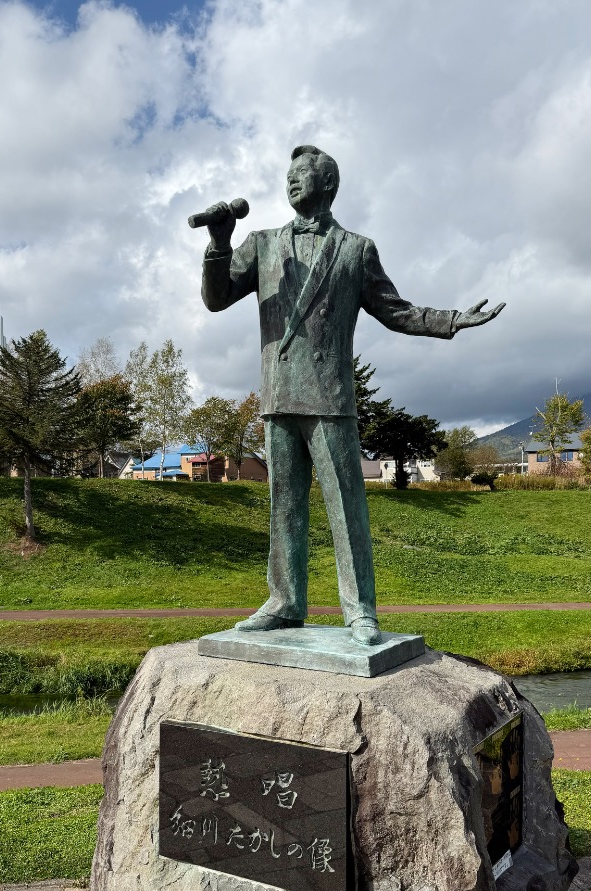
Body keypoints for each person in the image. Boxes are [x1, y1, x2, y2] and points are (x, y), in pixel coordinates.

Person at [200, 145, 504, 646]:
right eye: (288, 176)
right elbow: (215, 299)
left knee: (347, 508)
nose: (291, 182)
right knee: (284, 507)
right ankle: (283, 602)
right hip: (279, 397)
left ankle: (360, 611)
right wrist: (218, 244)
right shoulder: (262, 243)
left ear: (328, 185)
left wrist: (451, 320)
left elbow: (396, 310)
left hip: (330, 396)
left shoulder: (356, 249)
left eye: (302, 175)